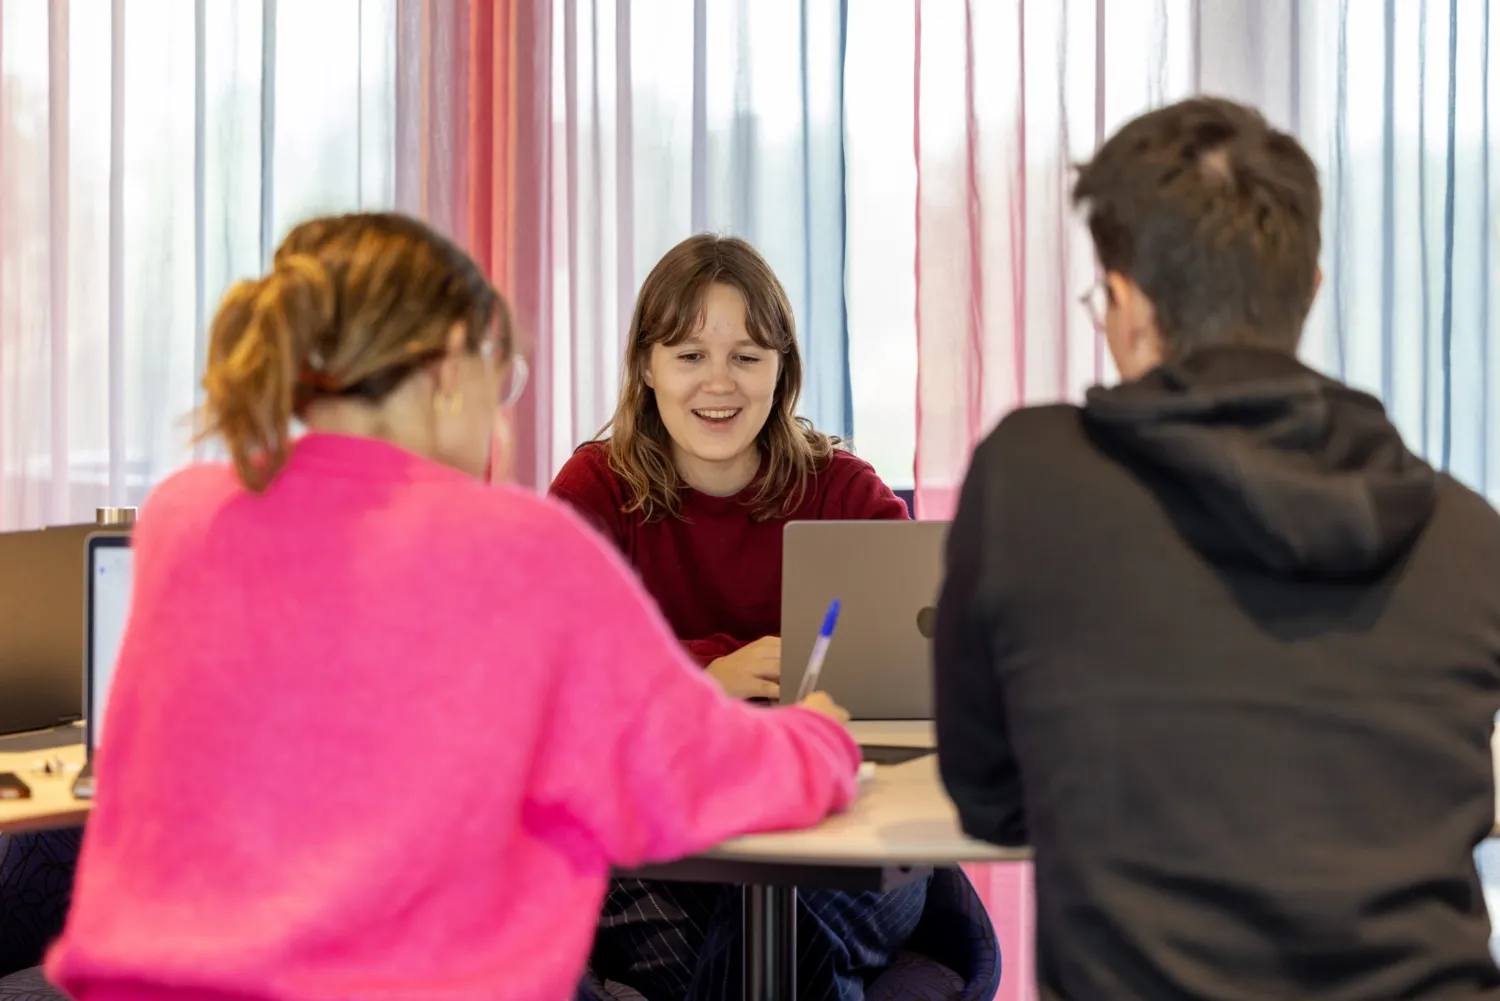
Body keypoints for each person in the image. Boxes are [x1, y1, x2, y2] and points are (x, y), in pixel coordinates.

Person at [44, 213, 861, 1001]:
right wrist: (820, 729)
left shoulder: (184, 517)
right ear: (447, 373)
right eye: (498, 378)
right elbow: (700, 771)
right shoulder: (520, 545)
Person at [933, 95, 1500, 1001]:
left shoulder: (1031, 478)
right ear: (1309, 289)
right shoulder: (1471, 536)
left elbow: (991, 796)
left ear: (1124, 303)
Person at [550, 233, 934, 1001]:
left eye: (747, 356)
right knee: (772, 953)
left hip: (837, 829)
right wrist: (704, 676)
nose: (718, 383)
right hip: (659, 834)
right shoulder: (594, 489)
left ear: (781, 371)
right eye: (690, 355)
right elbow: (555, 677)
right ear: (647, 368)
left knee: (780, 927)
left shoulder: (843, 490)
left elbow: (925, 657)